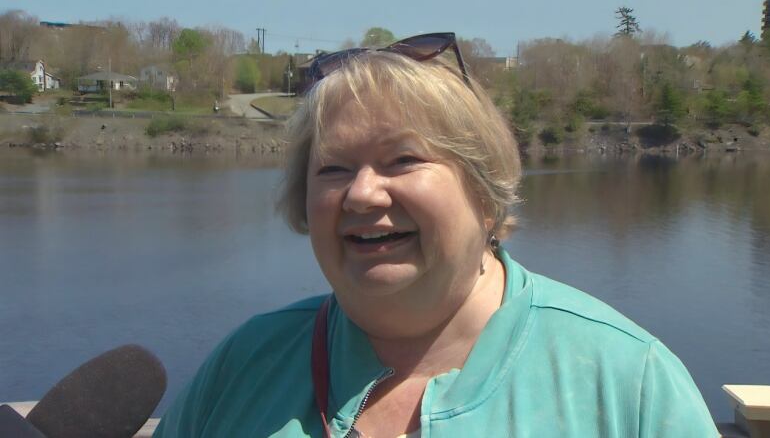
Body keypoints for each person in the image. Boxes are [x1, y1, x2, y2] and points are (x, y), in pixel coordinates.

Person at [153, 33, 718, 438]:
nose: (361, 194)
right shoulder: (245, 365)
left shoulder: (626, 381)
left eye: (403, 159)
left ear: (485, 190)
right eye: (333, 168)